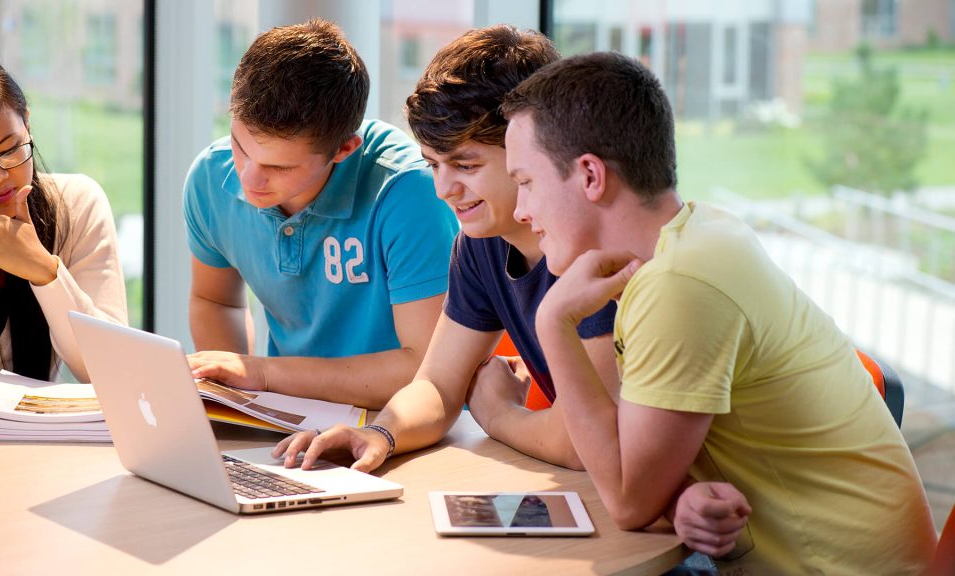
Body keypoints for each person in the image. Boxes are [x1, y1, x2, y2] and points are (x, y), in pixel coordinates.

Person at [274, 27, 748, 560]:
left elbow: (578, 443)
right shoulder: (480, 244)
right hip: (670, 507)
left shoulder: (596, 256)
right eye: (433, 164)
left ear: (528, 147)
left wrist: (495, 411)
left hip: (694, 527)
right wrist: (381, 434)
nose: (443, 188)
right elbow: (437, 382)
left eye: (466, 164)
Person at [502, 51, 936, 574]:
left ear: (591, 175)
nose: (520, 210)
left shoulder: (680, 285)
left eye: (525, 182)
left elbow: (627, 501)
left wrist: (554, 324)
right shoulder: (699, 234)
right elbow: (639, 458)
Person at [184, 19, 457, 409]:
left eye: (280, 167)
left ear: (344, 149)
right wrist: (233, 402)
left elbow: (429, 371)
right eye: (240, 146)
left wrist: (262, 374)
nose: (248, 178)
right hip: (288, 416)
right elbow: (216, 301)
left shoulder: (410, 192)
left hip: (403, 424)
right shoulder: (210, 178)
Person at [0, 52, 128, 437]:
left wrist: (44, 270)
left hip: (36, 451)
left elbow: (113, 374)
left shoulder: (75, 205)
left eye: (9, 150)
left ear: (28, 124)